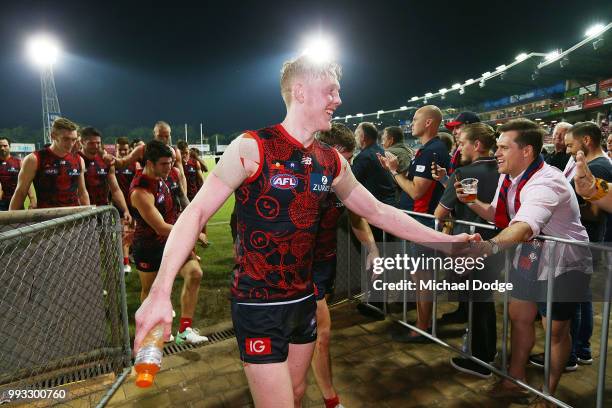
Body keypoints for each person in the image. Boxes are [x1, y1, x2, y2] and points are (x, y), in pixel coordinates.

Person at [134, 55, 479, 407]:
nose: (338, 100)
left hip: (304, 299)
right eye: (331, 91)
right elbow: (196, 213)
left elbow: (377, 210)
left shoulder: (331, 160)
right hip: (258, 303)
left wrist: (446, 242)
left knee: (297, 393)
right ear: (300, 91)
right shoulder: (252, 147)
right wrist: (160, 291)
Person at [455, 118, 590, 405]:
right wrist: (471, 203)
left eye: (504, 147)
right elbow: (499, 215)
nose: (497, 152)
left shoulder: (546, 181)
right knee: (519, 317)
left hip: (565, 264)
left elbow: (525, 226)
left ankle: (548, 393)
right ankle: (515, 379)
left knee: (555, 330)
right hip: (532, 256)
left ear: (526, 151)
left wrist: (488, 248)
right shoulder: (509, 176)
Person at [312, 122, 380, 408]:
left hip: (325, 263)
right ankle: (331, 399)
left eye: (350, 160)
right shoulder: (304, 176)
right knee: (322, 332)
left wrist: (373, 251)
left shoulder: (341, 178)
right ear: (328, 152)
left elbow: (359, 216)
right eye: (345, 158)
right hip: (298, 267)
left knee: (311, 333)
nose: (347, 165)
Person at [378, 105, 451, 342]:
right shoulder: (428, 149)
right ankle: (422, 323)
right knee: (420, 276)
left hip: (424, 223)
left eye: (416, 118)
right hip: (420, 222)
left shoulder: (433, 150)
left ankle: (422, 327)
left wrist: (394, 172)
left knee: (423, 278)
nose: (412, 122)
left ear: (429, 122)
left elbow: (417, 192)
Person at [433, 123, 500, 377]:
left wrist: (449, 184)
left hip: (471, 245)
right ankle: (487, 353)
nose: (459, 147)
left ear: (477, 145)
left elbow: (440, 212)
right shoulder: (502, 169)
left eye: (463, 143)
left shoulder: (463, 172)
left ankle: (480, 360)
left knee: (476, 303)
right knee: (484, 301)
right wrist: (446, 182)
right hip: (497, 242)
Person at [129, 140, 208, 345]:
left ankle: (184, 330)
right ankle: (152, 329)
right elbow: (160, 227)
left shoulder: (170, 175)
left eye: (172, 162)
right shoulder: (140, 191)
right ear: (150, 163)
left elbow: (183, 201)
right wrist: (192, 233)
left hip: (174, 241)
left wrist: (195, 222)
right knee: (151, 290)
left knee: (195, 273)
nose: (170, 168)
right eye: (164, 164)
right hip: (149, 246)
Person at [10, 117, 89, 210]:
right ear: (53, 136)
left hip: (73, 218)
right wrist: (10, 219)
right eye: (66, 139)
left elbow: (82, 193)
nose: (71, 143)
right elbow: (21, 192)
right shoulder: (34, 159)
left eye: (74, 139)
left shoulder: (79, 160)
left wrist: (88, 215)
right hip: (47, 219)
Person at [115, 122, 188, 196]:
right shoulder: (143, 150)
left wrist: (184, 197)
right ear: (154, 134)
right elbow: (123, 162)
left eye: (166, 136)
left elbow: (181, 176)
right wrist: (110, 159)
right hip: (149, 192)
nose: (163, 139)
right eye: (160, 136)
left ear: (170, 135)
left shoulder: (175, 152)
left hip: (169, 192)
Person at [79, 127, 131, 221]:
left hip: (103, 211)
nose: (95, 146)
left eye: (98, 143)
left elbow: (115, 190)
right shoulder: (76, 160)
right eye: (91, 143)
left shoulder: (106, 161)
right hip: (82, 213)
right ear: (82, 142)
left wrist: (125, 210)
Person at [116, 137, 137, 272]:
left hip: (133, 204)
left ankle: (131, 256)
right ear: (116, 149)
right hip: (119, 205)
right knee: (124, 232)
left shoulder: (134, 165)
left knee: (132, 232)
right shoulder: (113, 164)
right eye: (120, 150)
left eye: (125, 149)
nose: (123, 152)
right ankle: (125, 263)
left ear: (129, 149)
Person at [0, 137, 36, 210]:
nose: (2, 148)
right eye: (0, 146)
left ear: (9, 147)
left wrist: (32, 199)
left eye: (5, 146)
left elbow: (26, 181)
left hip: (16, 201)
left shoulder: (18, 163)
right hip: (1, 202)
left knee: (18, 221)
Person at [381, 126, 414, 206]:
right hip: (412, 197)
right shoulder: (410, 150)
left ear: (391, 140)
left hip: (399, 199)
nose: (382, 142)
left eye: (384, 139)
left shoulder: (387, 153)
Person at [444, 111, 481, 175]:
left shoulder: (476, 153)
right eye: (453, 128)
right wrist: (443, 178)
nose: (453, 132)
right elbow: (456, 183)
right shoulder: (458, 151)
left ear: (470, 128)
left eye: (457, 127)